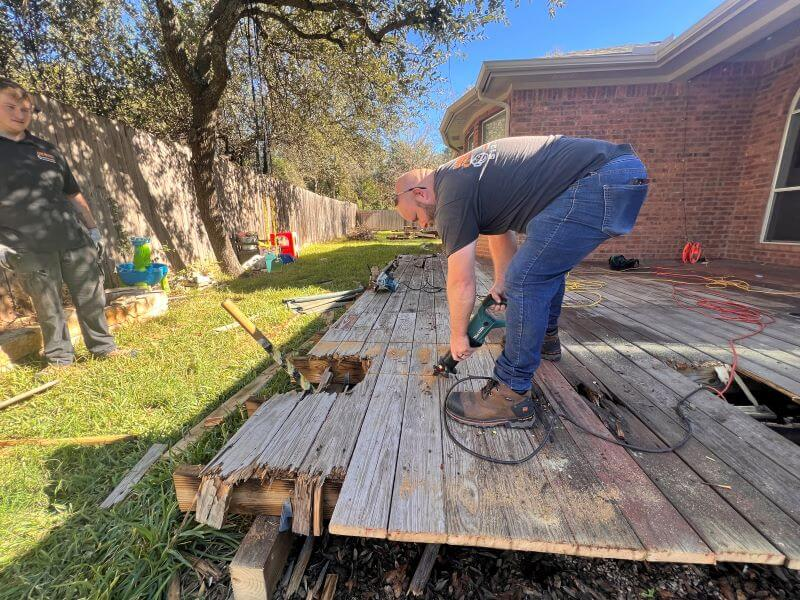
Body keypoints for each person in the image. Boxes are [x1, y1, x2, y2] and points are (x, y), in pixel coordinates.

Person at [395, 135, 648, 427]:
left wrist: (457, 336)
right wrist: (502, 280)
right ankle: (544, 342)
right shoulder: (463, 176)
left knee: (527, 279)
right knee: (541, 268)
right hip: (618, 173)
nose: (423, 225)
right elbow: (501, 230)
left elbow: (461, 281)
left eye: (415, 218)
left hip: (597, 178)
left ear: (420, 194)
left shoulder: (449, 195)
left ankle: (510, 394)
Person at [0, 78, 126, 369]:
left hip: (73, 238)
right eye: (11, 107)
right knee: (48, 305)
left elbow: (72, 192)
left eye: (26, 109)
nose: (20, 114)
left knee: (92, 296)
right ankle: (59, 359)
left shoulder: (46, 150)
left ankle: (104, 348)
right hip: (27, 245)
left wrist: (92, 229)